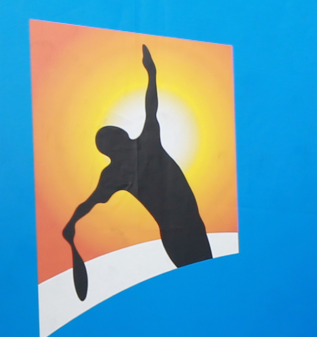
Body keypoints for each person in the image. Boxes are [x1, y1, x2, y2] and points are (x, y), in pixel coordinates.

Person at [61, 45, 212, 301]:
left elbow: (87, 205)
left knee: (202, 287)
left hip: (181, 232)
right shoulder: (142, 147)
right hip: (184, 230)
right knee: (204, 286)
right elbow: (151, 105)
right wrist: (151, 73)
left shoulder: (117, 171)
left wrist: (72, 224)